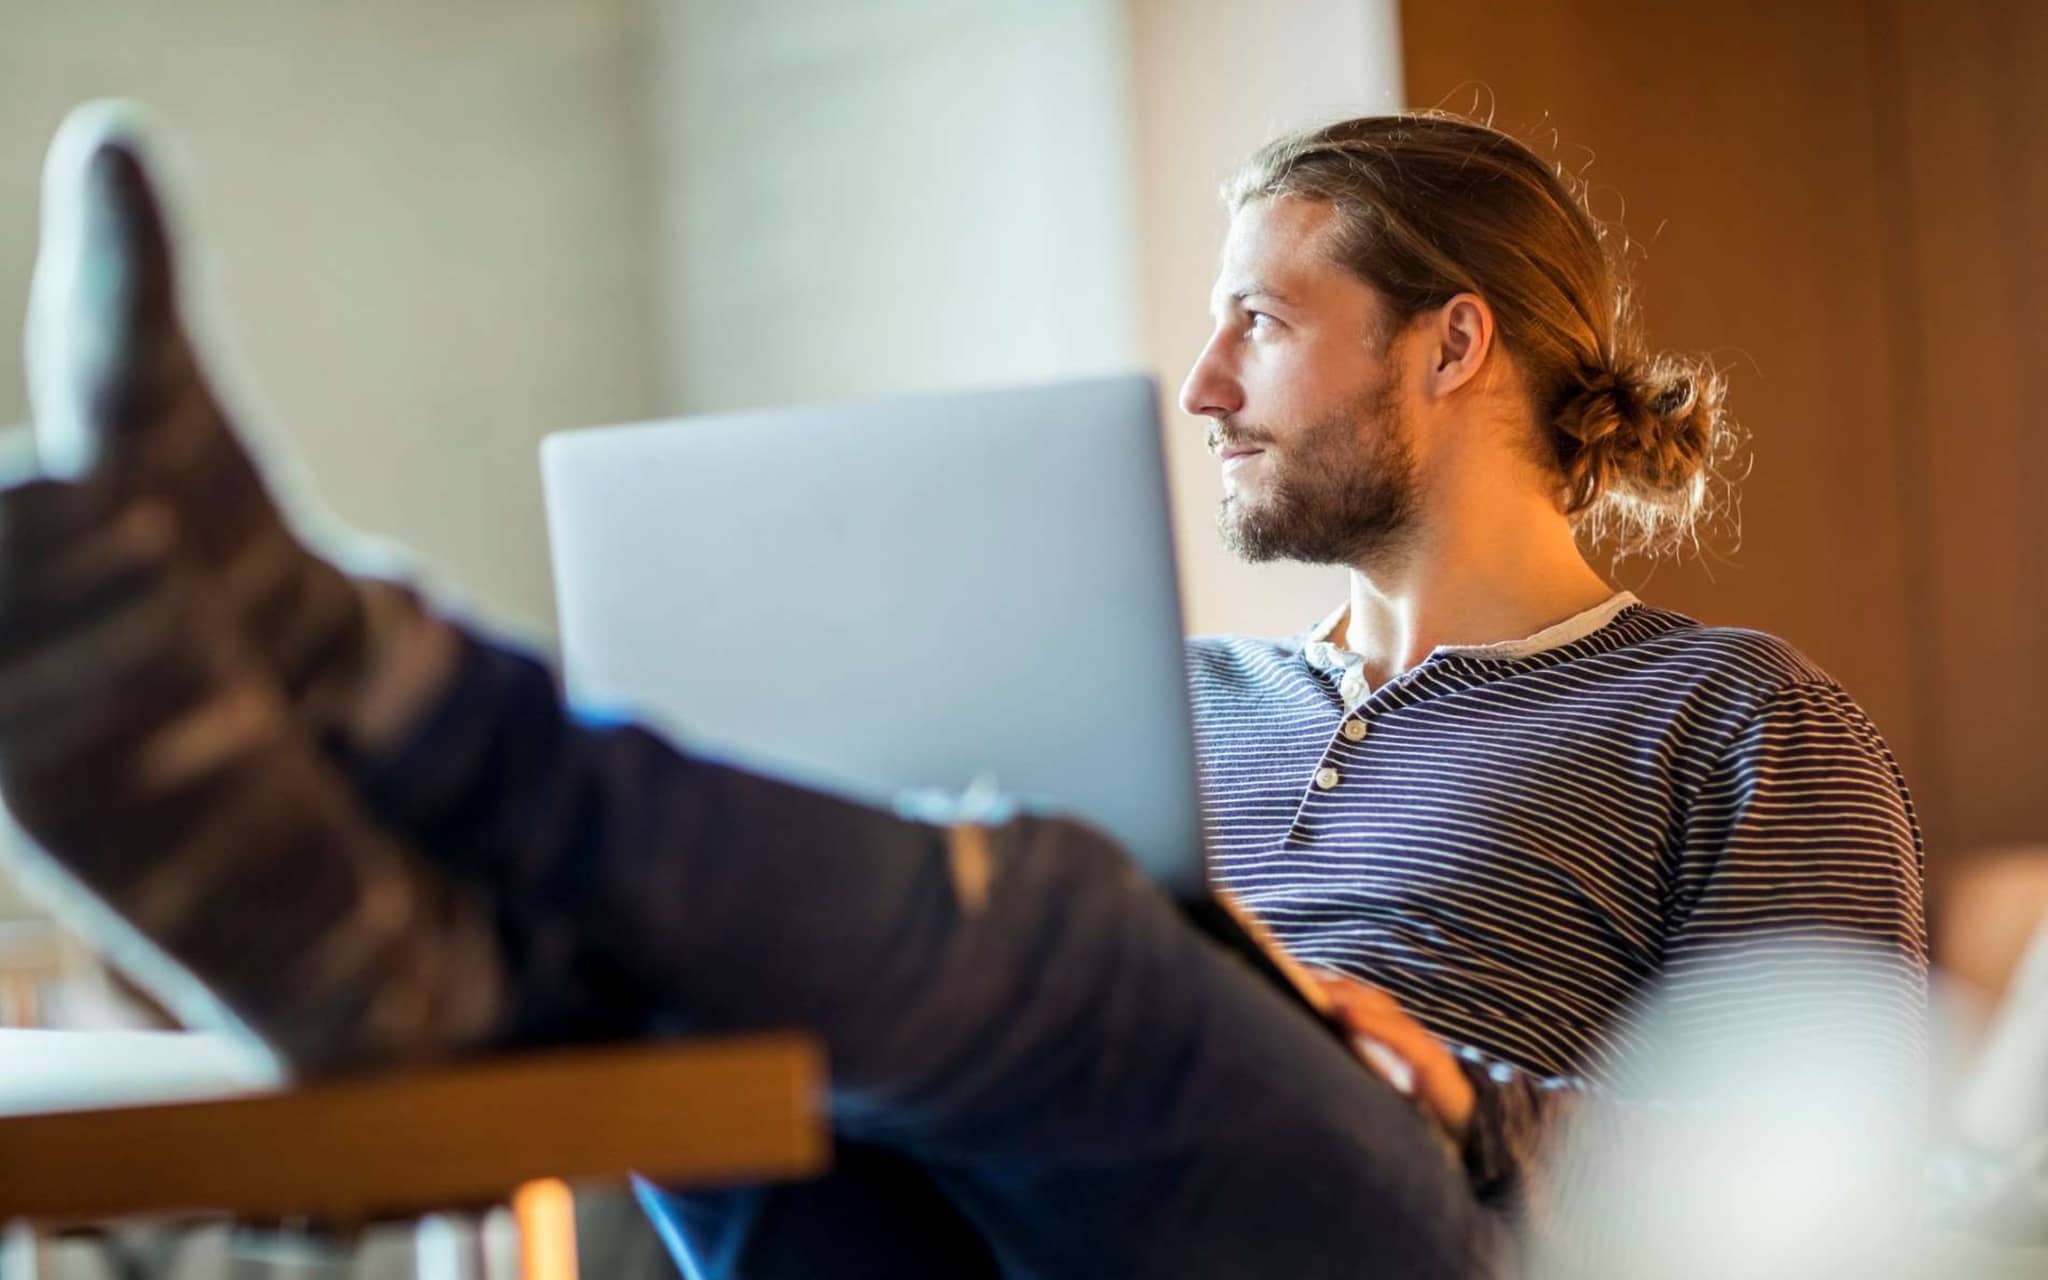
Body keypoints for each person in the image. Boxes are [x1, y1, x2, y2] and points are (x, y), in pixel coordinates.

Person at [0, 104, 1925, 1277]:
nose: (1203, 385)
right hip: (982, 1214)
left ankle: (357, 672)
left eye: (1261, 316)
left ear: (1453, 343)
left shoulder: (1730, 717)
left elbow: (1840, 1170)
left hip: (1409, 1231)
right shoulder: (1170, 697)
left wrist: (1470, 1098)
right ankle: (408, 951)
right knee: (766, 1007)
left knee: (1078, 920)